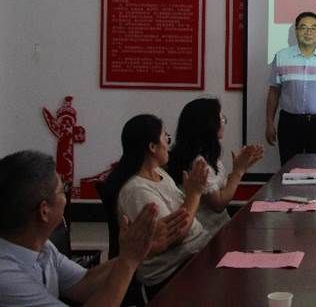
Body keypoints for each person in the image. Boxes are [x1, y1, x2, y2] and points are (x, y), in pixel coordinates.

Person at [0, 149, 160, 306]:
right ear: (44, 211)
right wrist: (128, 261)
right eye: (63, 190)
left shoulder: (41, 246)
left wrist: (138, 252)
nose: (65, 197)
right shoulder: (6, 277)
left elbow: (84, 284)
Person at [103, 114, 211, 298]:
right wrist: (194, 194)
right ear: (152, 147)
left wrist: (191, 193)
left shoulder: (158, 172)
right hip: (171, 272)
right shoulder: (136, 190)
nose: (168, 144)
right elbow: (174, 235)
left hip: (194, 255)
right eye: (165, 138)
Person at [168, 98, 264, 234]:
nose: (224, 123)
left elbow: (223, 188)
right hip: (208, 233)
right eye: (221, 119)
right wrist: (238, 171)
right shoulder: (198, 162)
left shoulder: (208, 154)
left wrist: (239, 167)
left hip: (222, 226)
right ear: (207, 124)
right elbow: (218, 204)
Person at [266, 11, 316, 163]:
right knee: (289, 167)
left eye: (314, 28)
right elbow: (274, 92)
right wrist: (269, 123)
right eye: (303, 27)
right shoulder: (281, 57)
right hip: (289, 123)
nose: (309, 32)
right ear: (296, 31)